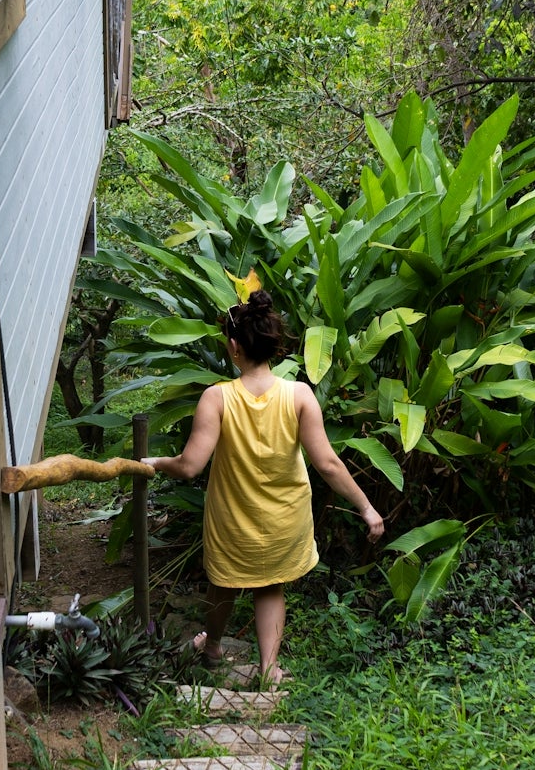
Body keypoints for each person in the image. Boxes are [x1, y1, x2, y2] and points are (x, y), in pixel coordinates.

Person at [146, 291, 384, 682]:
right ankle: (269, 669)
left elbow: (189, 466)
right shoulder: (299, 395)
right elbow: (327, 462)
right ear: (272, 346)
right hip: (284, 518)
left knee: (223, 582)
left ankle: (214, 646)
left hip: (231, 518)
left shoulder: (216, 398)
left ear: (234, 347)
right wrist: (366, 506)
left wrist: (156, 463)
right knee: (270, 586)